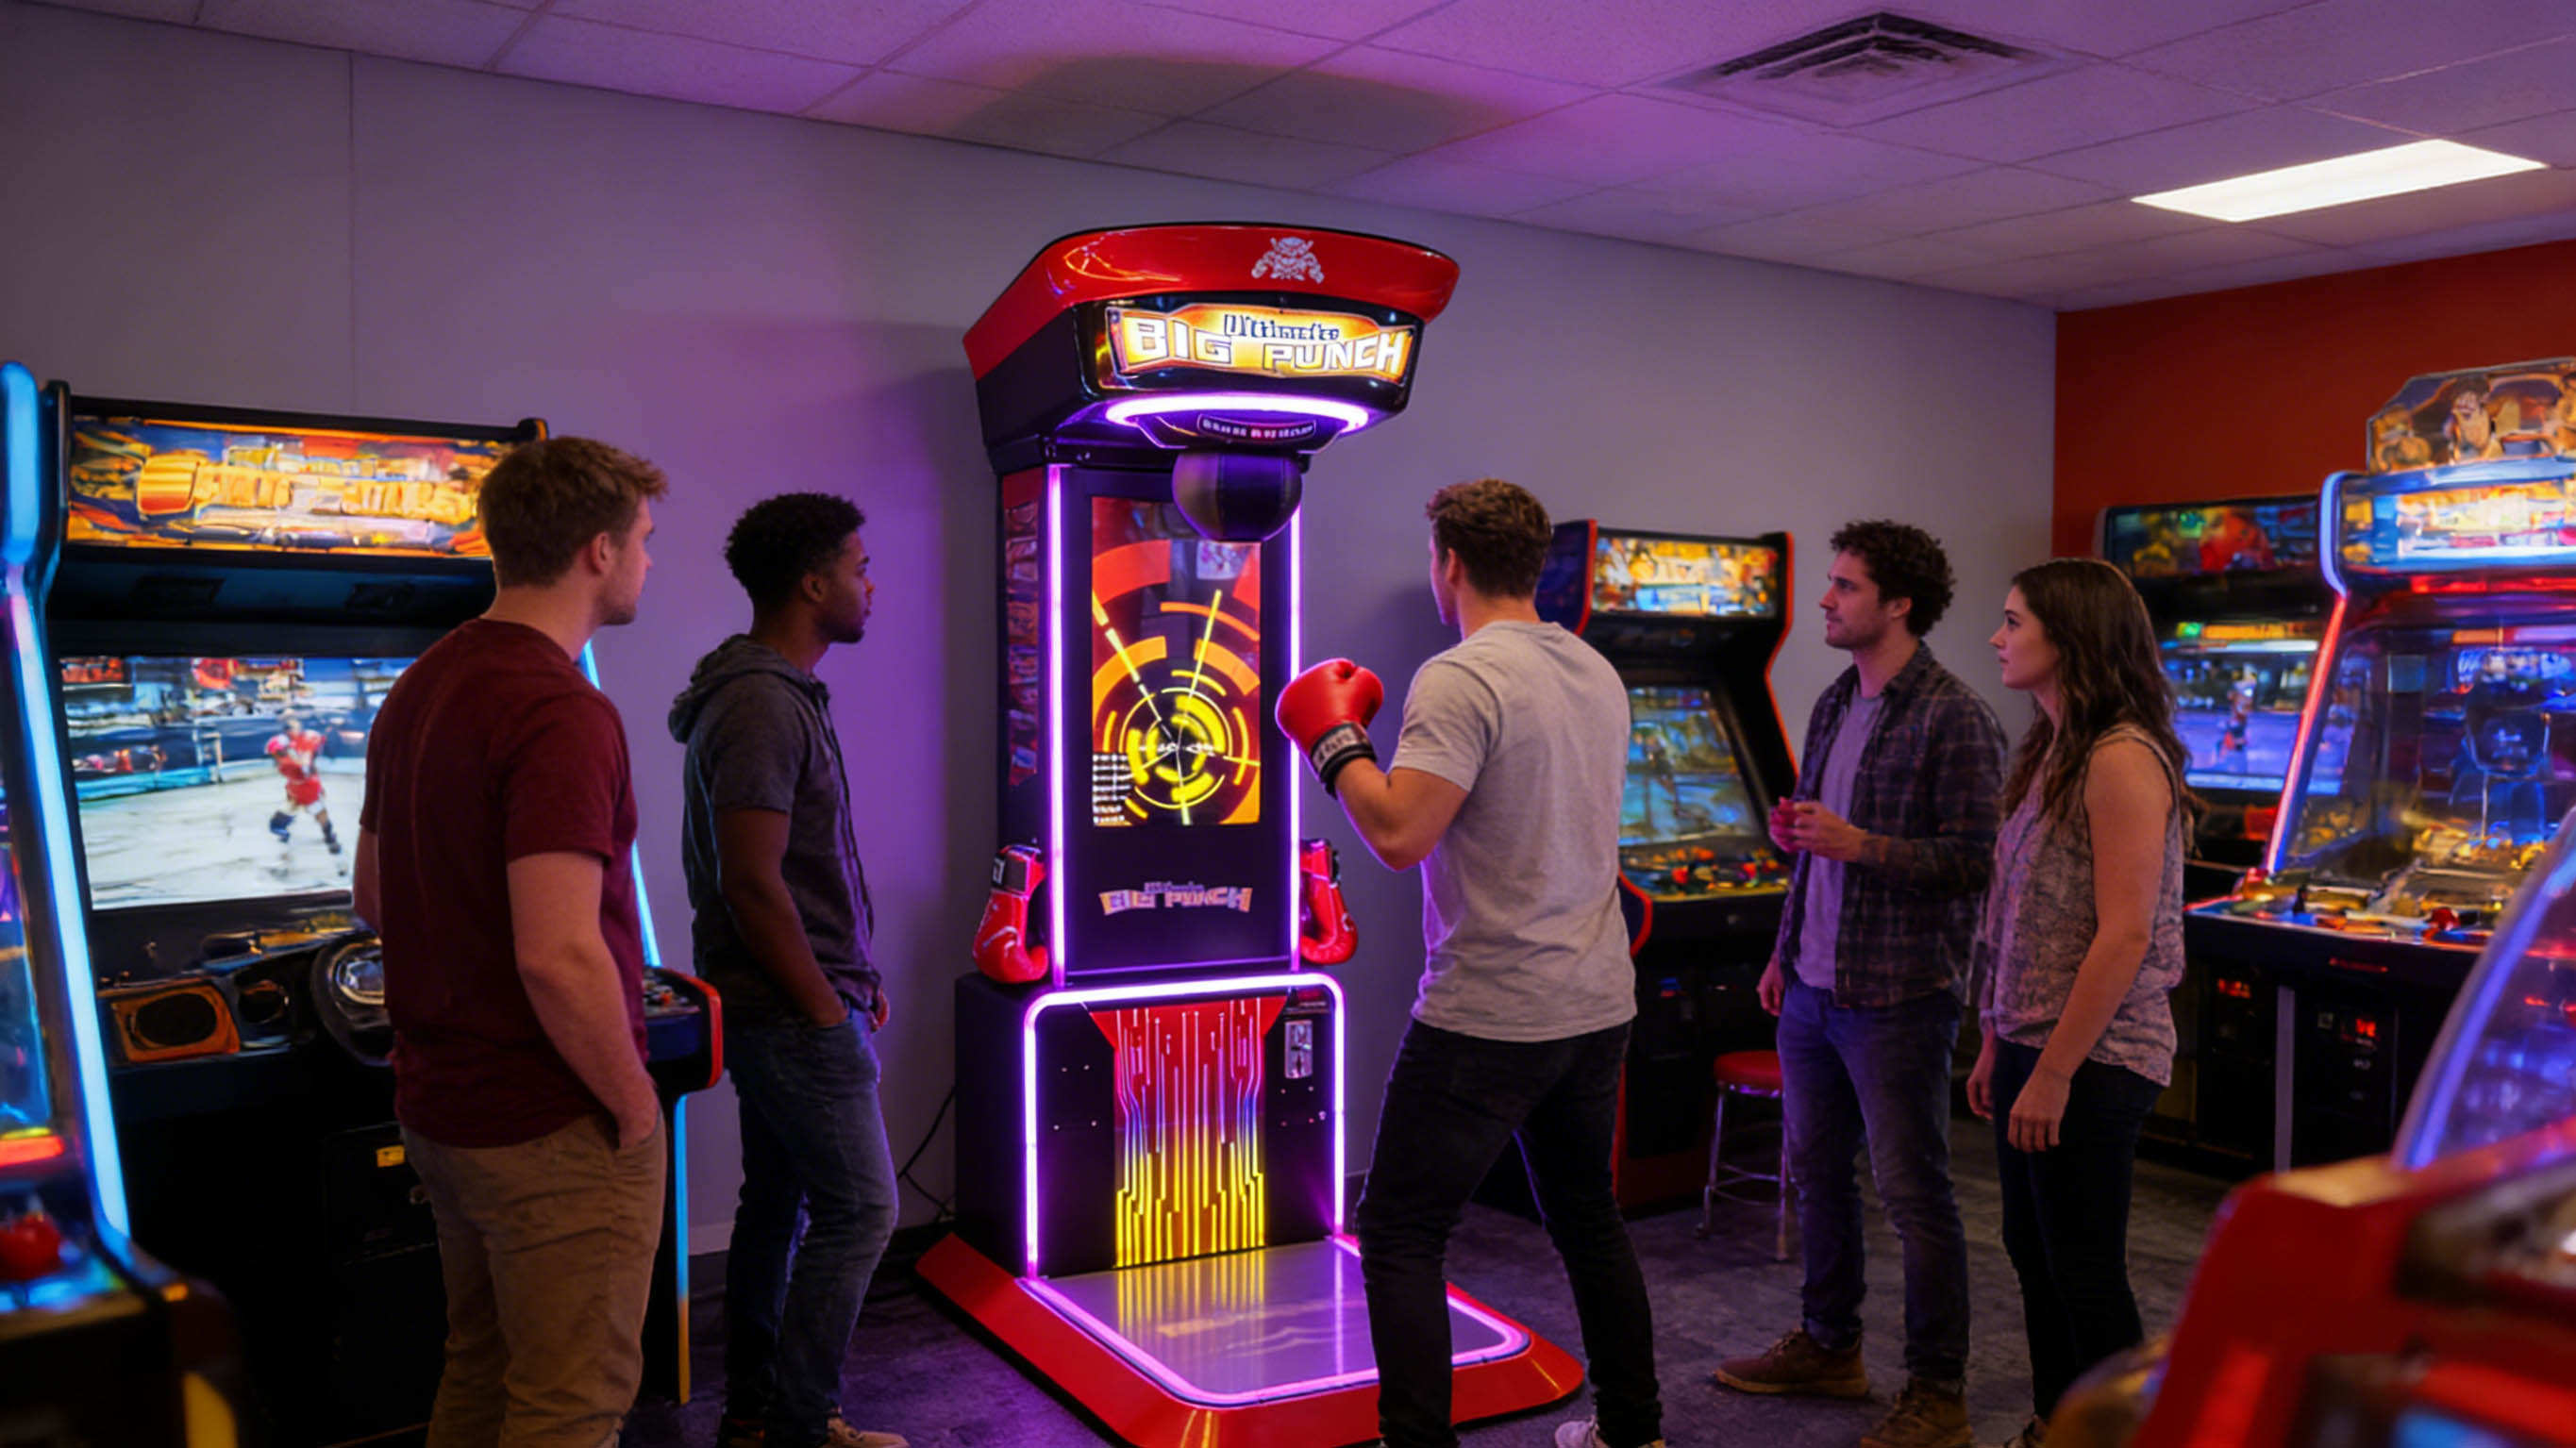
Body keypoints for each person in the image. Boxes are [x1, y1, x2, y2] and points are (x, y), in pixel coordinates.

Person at [1275, 478, 1664, 1448]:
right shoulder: (1595, 669)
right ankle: (1635, 1432)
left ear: (1447, 564)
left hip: (1493, 1008)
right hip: (1595, 999)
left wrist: (1334, 742)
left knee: (1400, 1229)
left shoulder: (1462, 676)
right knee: (1587, 1215)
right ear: (1534, 564)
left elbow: (1399, 833)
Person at [352, 436, 668, 1447]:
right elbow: (557, 954)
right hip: (548, 1119)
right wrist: (634, 1105)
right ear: (596, 550)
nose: (650, 559)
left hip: (443, 1108)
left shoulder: (421, 682)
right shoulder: (561, 708)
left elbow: (371, 894)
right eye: (644, 539)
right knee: (568, 1408)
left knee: (483, 1375)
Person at [1713, 519, 2003, 1448]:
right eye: (1831, 582)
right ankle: (1830, 1344)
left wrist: (1860, 843)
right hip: (1812, 982)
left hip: (1899, 993)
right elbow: (1815, 851)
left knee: (1914, 1194)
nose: (1826, 600)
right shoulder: (1839, 699)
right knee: (1815, 1171)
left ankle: (1939, 1391)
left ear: (1899, 603)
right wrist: (1783, 946)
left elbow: (1978, 861)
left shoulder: (1956, 716)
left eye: (1845, 585)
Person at [668, 494, 905, 1448]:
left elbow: (799, 872)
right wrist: (821, 1008)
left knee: (776, 1203)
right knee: (863, 1209)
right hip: (788, 1011)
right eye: (858, 566)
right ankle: (804, 1423)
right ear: (813, 583)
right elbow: (753, 883)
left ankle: (756, 1414)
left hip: (793, 999)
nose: (869, 583)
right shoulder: (763, 703)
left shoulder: (773, 691)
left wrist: (853, 975)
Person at [1968, 558, 2191, 1448]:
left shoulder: (2120, 757)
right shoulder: (2053, 747)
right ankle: (2057, 1423)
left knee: (2086, 1270)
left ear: (2070, 637)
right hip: (2036, 1043)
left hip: (2095, 1055)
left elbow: (2125, 934)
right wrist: (1998, 1040)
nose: (1997, 637)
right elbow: (2020, 913)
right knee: (2036, 1254)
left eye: (2014, 621)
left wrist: (2054, 1069)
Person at [265, 709, 339, 852]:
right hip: (297, 786)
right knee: (279, 822)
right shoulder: (283, 744)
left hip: (306, 786)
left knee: (318, 811)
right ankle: (287, 832)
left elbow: (305, 764)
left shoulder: (305, 741)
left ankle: (330, 838)